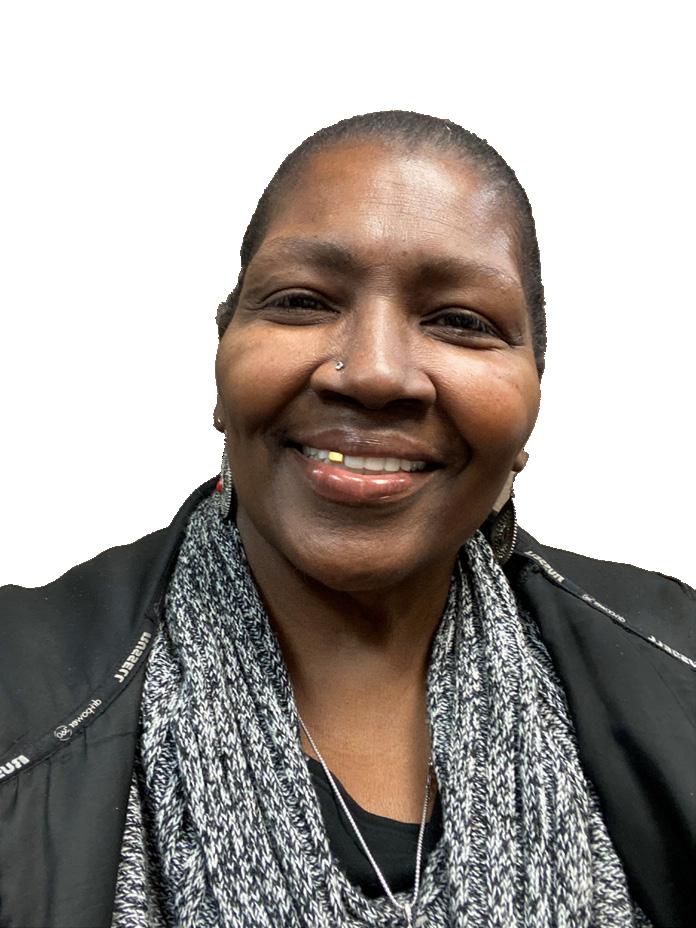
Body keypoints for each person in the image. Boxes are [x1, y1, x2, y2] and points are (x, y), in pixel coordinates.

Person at [0, 111, 693, 928]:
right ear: (221, 368)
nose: (373, 373)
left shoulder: (677, 665)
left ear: (533, 394)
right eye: (302, 302)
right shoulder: (19, 689)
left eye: (460, 320)